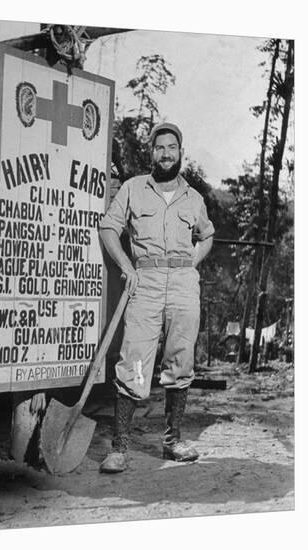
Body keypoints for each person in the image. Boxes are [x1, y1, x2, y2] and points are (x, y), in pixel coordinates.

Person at [98, 122, 214, 473]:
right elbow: (108, 228)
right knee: (134, 360)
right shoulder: (133, 189)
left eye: (172, 148)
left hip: (182, 285)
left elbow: (206, 234)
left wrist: (191, 263)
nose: (166, 154)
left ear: (181, 153)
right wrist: (127, 266)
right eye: (160, 148)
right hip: (145, 282)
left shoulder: (193, 198)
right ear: (152, 153)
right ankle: (119, 448)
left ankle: (173, 441)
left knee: (180, 361)